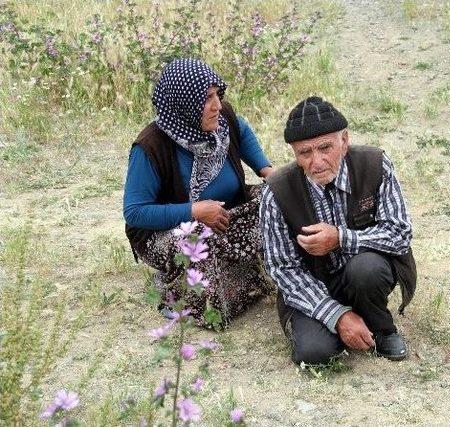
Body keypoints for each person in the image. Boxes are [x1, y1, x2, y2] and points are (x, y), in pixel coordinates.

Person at [260, 96, 416, 364]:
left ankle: (382, 328)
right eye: (304, 153)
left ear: (344, 141)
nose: (316, 161)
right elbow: (282, 269)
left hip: (362, 273)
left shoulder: (374, 164)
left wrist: (340, 239)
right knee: (314, 353)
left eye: (325, 148)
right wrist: (336, 315)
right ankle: (345, 321)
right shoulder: (277, 191)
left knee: (366, 269)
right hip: (313, 285)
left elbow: (400, 235)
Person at [123, 58, 274, 327]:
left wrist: (266, 171)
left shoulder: (222, 118)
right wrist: (193, 211)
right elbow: (135, 213)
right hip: (172, 231)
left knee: (274, 199)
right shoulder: (150, 146)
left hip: (225, 212)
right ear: (184, 104)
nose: (217, 105)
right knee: (197, 244)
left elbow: (243, 132)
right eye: (207, 98)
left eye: (217, 94)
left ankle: (242, 269)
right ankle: (171, 285)